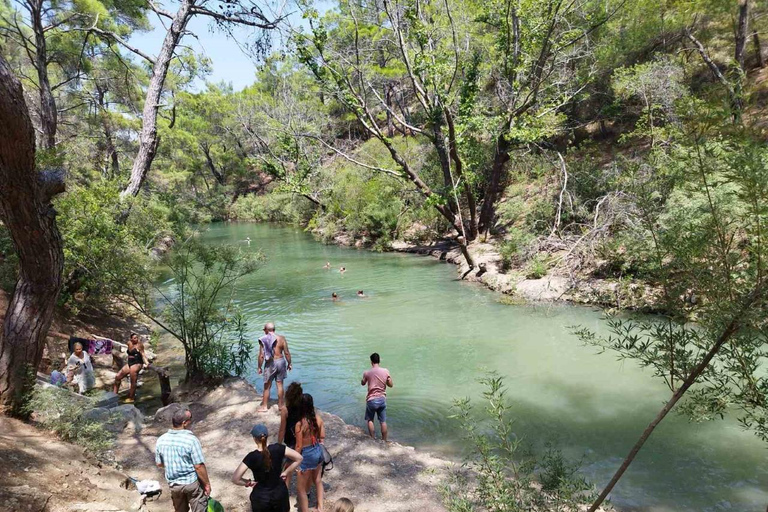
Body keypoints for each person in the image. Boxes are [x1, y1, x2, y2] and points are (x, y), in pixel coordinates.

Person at [231, 424, 302, 512]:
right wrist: (286, 472)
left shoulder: (252, 457)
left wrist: (249, 482)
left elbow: (235, 479)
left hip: (261, 498)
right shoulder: (278, 448)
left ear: (254, 439)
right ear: (267, 436)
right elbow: (299, 458)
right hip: (279, 493)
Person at [155, 407, 211, 512]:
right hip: (191, 484)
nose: (192, 421)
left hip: (174, 485)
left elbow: (159, 464)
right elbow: (198, 466)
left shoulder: (161, 440)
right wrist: (206, 484)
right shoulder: (191, 440)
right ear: (184, 423)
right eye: (191, 419)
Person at [294, 394, 326, 512]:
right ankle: (320, 508)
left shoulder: (299, 424)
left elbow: (298, 446)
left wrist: (295, 462)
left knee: (301, 489)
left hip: (306, 455)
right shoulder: (318, 418)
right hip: (317, 451)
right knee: (317, 480)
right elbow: (322, 436)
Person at [258, 322, 292, 412]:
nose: (264, 331)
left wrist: (259, 367)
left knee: (267, 386)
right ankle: (281, 405)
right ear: (274, 330)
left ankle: (265, 406)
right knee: (280, 384)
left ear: (267, 330)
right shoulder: (282, 339)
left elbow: (261, 355)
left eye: (264, 330)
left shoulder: (263, 340)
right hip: (281, 361)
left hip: (270, 364)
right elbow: (287, 353)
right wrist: (289, 363)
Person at [361, 353, 393, 441]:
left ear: (371, 362)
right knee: (383, 421)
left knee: (370, 420)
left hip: (371, 400)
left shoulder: (367, 372)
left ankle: (372, 439)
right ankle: (384, 440)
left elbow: (363, 383)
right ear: (379, 361)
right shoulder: (386, 371)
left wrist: (364, 378)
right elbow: (390, 385)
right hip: (382, 399)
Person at [278, 382, 304, 489]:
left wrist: (279, 444)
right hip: (302, 440)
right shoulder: (303, 408)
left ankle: (285, 490)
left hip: (291, 441)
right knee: (301, 466)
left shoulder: (285, 409)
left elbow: (282, 429)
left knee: (287, 468)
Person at [113, 332, 148, 403]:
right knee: (117, 377)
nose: (136, 339)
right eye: (134, 338)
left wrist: (147, 363)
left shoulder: (139, 345)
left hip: (137, 363)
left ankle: (131, 398)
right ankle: (114, 394)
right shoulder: (129, 343)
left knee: (133, 382)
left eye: (137, 338)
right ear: (131, 339)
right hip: (130, 363)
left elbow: (143, 354)